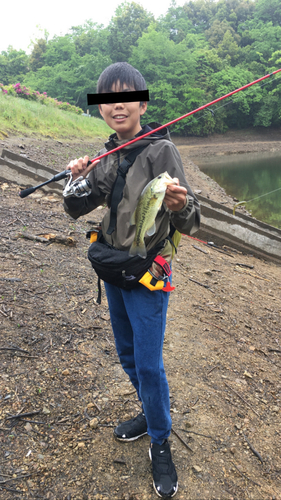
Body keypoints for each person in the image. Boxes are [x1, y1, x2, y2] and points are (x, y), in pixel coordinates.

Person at [63, 62, 200, 498]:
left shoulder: (163, 152)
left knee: (148, 362)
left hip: (149, 270)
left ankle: (160, 440)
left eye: (126, 98)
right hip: (113, 266)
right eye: (107, 99)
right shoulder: (106, 155)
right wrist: (76, 179)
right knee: (126, 354)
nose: (116, 106)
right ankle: (150, 410)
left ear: (142, 104)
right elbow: (75, 208)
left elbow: (194, 221)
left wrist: (179, 206)